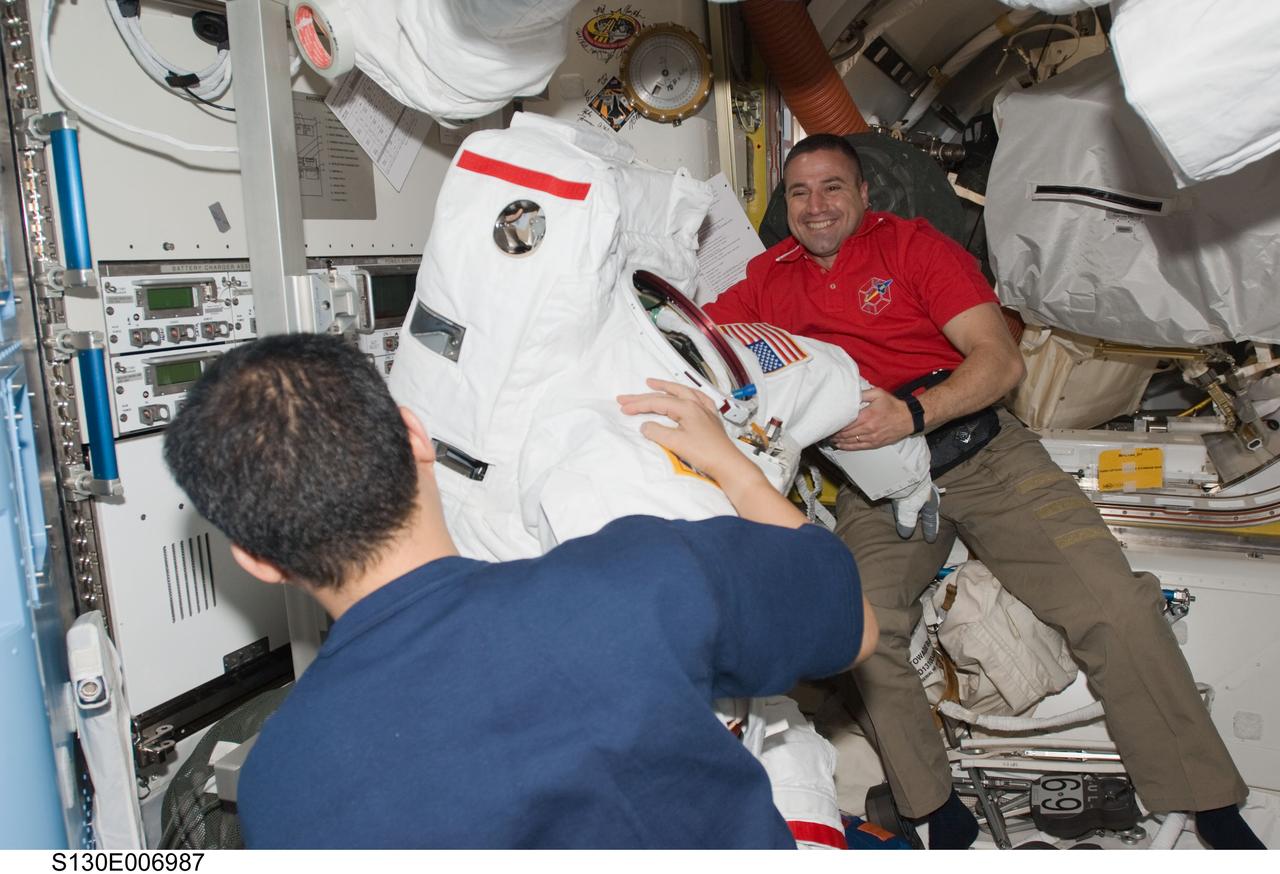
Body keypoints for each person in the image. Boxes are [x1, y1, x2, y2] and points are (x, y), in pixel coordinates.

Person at [703, 134, 1264, 850]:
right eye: (802, 192)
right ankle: (933, 805)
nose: (817, 206)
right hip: (875, 487)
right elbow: (700, 333)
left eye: (833, 187)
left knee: (1114, 606)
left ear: (863, 194)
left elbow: (998, 365)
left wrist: (909, 414)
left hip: (980, 453)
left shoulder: (914, 248)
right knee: (859, 629)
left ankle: (1206, 800)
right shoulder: (768, 276)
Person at [162, 332, 878, 849]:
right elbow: (855, 625)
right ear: (416, 436)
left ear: (256, 559)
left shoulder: (280, 788)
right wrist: (737, 469)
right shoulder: (639, 579)